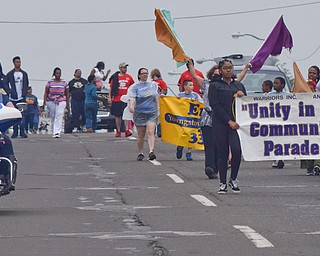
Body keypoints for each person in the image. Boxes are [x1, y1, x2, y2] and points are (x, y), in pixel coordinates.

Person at [208, 59, 246, 194]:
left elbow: (246, 106)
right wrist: (228, 121)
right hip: (221, 123)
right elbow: (215, 105)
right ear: (220, 70)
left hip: (236, 124)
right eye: (225, 68)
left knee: (237, 150)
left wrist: (242, 96)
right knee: (222, 152)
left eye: (230, 68)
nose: (228, 70)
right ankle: (222, 182)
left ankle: (233, 178)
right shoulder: (215, 86)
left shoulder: (239, 85)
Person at [127, 68, 159, 161]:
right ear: (139, 75)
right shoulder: (135, 87)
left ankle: (151, 151)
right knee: (141, 134)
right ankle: (140, 152)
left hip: (151, 112)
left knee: (150, 132)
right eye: (143, 73)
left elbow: (157, 95)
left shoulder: (153, 85)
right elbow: (132, 97)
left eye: (146, 73)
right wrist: (131, 106)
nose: (145, 75)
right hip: (140, 112)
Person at [176, 80, 203, 161]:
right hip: (182, 118)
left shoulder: (195, 95)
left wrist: (196, 102)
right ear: (185, 86)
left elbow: (201, 103)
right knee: (182, 134)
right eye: (190, 85)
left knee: (191, 134)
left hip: (192, 118)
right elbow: (175, 103)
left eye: (192, 85)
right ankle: (180, 146)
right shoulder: (180, 95)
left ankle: (189, 152)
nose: (192, 87)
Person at [108, 62, 135, 137]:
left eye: (126, 68)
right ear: (120, 68)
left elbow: (133, 87)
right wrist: (110, 97)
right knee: (117, 115)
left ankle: (127, 129)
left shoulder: (129, 77)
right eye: (124, 68)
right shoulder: (115, 77)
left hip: (126, 99)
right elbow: (111, 88)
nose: (125, 69)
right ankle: (118, 130)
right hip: (117, 98)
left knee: (126, 114)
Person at [268, 77, 289, 169]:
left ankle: (281, 158)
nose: (274, 85)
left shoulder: (288, 95)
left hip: (283, 121)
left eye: (277, 83)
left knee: (282, 140)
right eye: (274, 83)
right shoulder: (269, 94)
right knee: (274, 140)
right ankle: (275, 159)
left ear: (282, 85)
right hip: (273, 121)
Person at [43, 67, 69, 138]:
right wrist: (44, 102)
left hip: (61, 100)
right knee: (53, 116)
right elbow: (46, 92)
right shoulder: (50, 82)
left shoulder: (64, 83)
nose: (58, 74)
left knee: (59, 115)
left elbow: (67, 93)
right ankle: (53, 130)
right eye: (57, 73)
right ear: (54, 74)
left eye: (59, 73)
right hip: (51, 100)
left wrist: (67, 103)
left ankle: (57, 132)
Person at [6, 56, 29, 138]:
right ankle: (15, 132)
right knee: (15, 116)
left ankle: (22, 132)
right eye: (17, 62)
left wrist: (24, 92)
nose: (18, 63)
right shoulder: (10, 74)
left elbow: (26, 84)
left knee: (22, 115)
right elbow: (6, 84)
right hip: (13, 98)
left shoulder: (24, 74)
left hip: (21, 98)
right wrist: (10, 92)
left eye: (19, 62)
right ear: (14, 63)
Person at [0, 85, 17, 193]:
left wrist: (15, 111)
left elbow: (8, 104)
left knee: (5, 141)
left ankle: (7, 178)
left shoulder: (1, 91)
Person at [303, 66, 320, 175]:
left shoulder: (318, 85)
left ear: (318, 75)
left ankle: (317, 165)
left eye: (313, 73)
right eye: (310, 73)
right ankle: (309, 166)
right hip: (307, 116)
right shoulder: (304, 84)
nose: (311, 75)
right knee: (308, 140)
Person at [150, 68, 168, 137]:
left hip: (159, 101)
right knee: (153, 117)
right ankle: (152, 131)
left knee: (159, 117)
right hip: (152, 102)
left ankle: (159, 131)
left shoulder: (161, 82)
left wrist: (162, 94)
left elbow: (165, 90)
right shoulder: (151, 82)